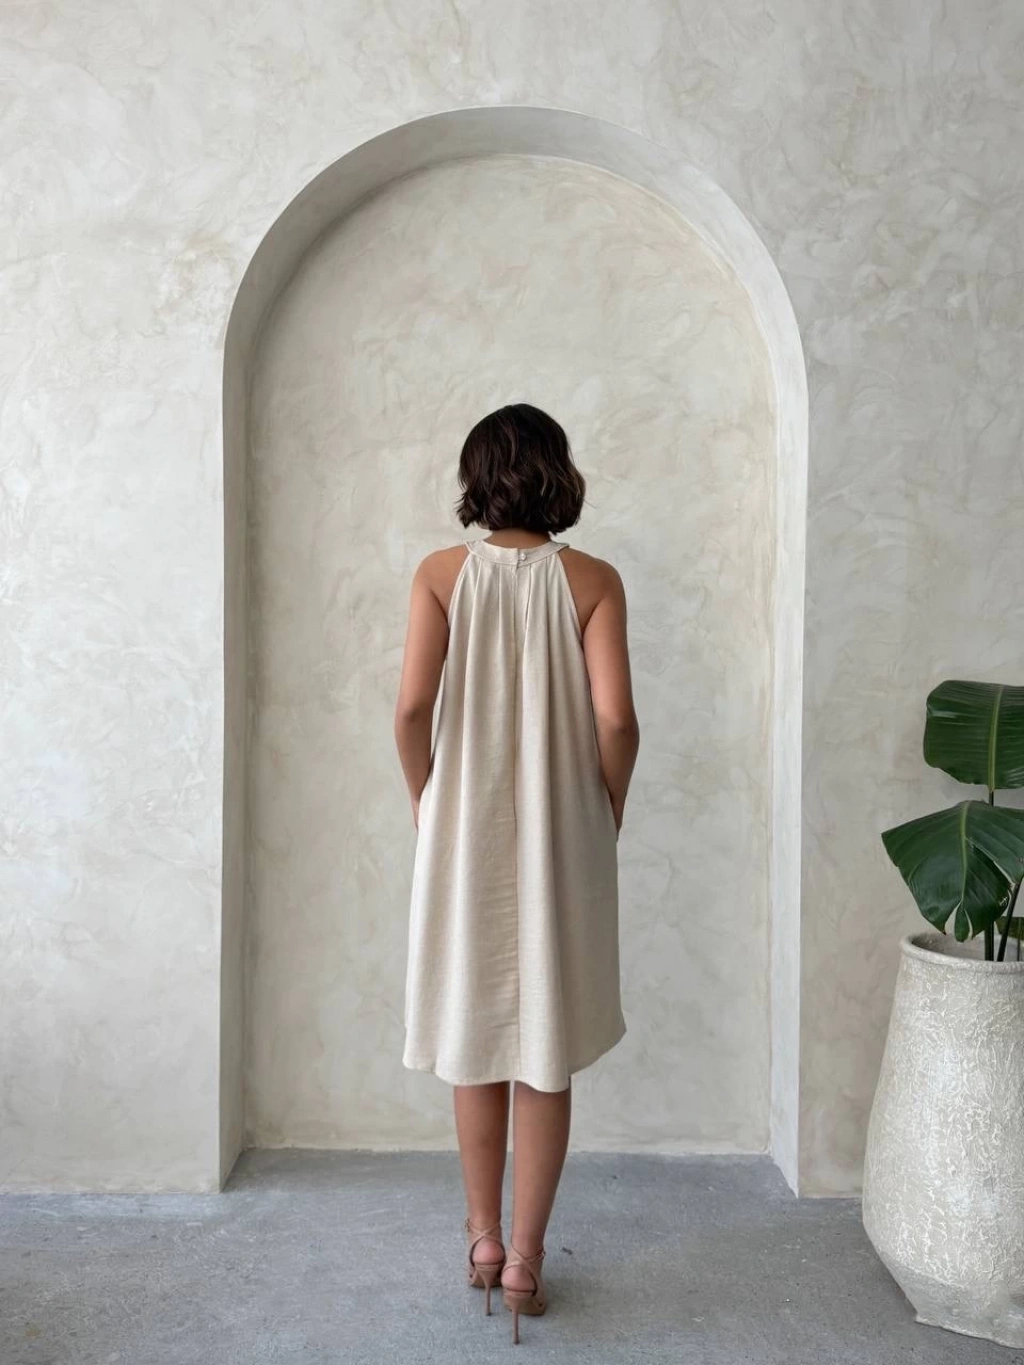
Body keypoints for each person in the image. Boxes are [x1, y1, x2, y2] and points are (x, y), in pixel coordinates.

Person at [394, 403, 640, 1343]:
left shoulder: (439, 574)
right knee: (545, 1036)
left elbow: (410, 708)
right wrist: (607, 805)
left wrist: (424, 799)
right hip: (561, 829)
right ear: (557, 475)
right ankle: (529, 1259)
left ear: (476, 478)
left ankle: (483, 1240)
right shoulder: (594, 580)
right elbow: (616, 721)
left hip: (462, 827)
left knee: (473, 1028)